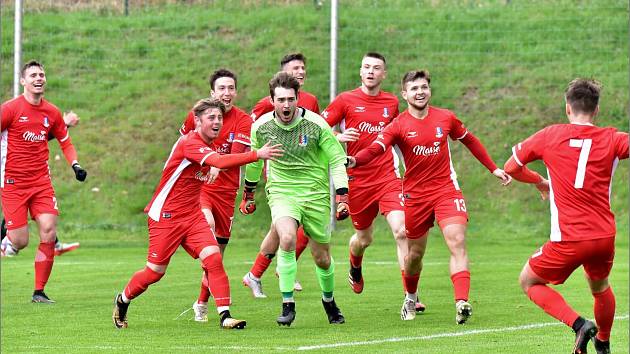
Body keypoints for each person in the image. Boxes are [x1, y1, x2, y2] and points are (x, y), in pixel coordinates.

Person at [347, 69, 511, 323]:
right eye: (414, 88)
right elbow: (375, 149)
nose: (420, 92)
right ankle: (410, 297)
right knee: (414, 256)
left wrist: (494, 168)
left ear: (429, 90)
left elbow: (470, 141)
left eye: (423, 87)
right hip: (415, 197)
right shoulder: (398, 125)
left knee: (456, 240)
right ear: (405, 94)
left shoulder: (445, 118)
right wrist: (355, 160)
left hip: (446, 190)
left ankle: (461, 302)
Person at [112, 98, 282, 330]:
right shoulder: (190, 142)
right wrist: (256, 154)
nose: (217, 122)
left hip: (192, 217)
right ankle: (122, 300)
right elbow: (219, 161)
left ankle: (225, 316)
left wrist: (214, 165)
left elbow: (214, 161)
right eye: (211, 117)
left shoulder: (207, 146)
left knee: (213, 258)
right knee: (154, 273)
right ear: (197, 121)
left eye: (219, 118)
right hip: (166, 217)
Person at [504, 78, 627, 354]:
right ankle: (604, 343)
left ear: (567, 108)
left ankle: (580, 325)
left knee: (529, 281)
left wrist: (538, 180)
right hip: (603, 237)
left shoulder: (550, 135)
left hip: (569, 238)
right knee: (600, 286)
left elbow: (511, 167)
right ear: (596, 110)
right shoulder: (613, 138)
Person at [239, 72, 349, 326]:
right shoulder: (262, 127)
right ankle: (287, 304)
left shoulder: (316, 124)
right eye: (281, 100)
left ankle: (329, 301)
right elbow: (256, 161)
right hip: (282, 190)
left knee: (322, 257)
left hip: (315, 193)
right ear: (272, 100)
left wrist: (343, 196)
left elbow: (336, 159)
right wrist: (248, 193)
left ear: (298, 99)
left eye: (291, 99)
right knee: (287, 238)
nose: (286, 105)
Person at [321, 52, 425, 311]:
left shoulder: (391, 102)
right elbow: (318, 127)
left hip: (388, 177)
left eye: (376, 68)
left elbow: (402, 134)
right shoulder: (345, 100)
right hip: (356, 180)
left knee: (402, 231)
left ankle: (410, 296)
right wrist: (338, 135)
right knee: (363, 238)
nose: (370, 71)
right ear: (360, 71)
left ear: (384, 74)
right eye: (366, 67)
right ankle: (355, 264)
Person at [0, 60, 88, 303]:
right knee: (20, 241)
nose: (38, 78)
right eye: (33, 75)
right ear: (23, 81)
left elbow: (65, 140)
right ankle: (5, 237)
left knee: (49, 231)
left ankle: (39, 292)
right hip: (12, 183)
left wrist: (75, 165)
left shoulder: (51, 112)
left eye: (41, 74)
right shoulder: (9, 109)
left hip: (41, 183)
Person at [179, 69, 254, 322]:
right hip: (201, 189)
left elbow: (234, 155)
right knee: (206, 224)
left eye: (231, 88)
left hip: (226, 193)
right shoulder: (196, 117)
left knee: (217, 257)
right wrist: (205, 163)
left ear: (236, 92)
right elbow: (184, 147)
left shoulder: (243, 120)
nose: (226, 92)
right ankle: (220, 309)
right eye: (221, 88)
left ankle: (201, 301)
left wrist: (215, 163)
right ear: (213, 92)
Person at [243, 53, 320, 297]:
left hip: (306, 174)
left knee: (282, 229)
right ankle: (283, 268)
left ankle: (256, 274)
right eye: (295, 68)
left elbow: (317, 133)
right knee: (291, 226)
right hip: (279, 174)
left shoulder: (311, 101)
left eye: (303, 68)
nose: (300, 72)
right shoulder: (270, 102)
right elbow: (252, 132)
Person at [1, 111, 82, 257]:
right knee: (15, 208)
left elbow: (39, 137)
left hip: (18, 175)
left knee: (30, 210)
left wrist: (63, 125)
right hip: (8, 174)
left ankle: (10, 245)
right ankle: (7, 245)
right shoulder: (8, 116)